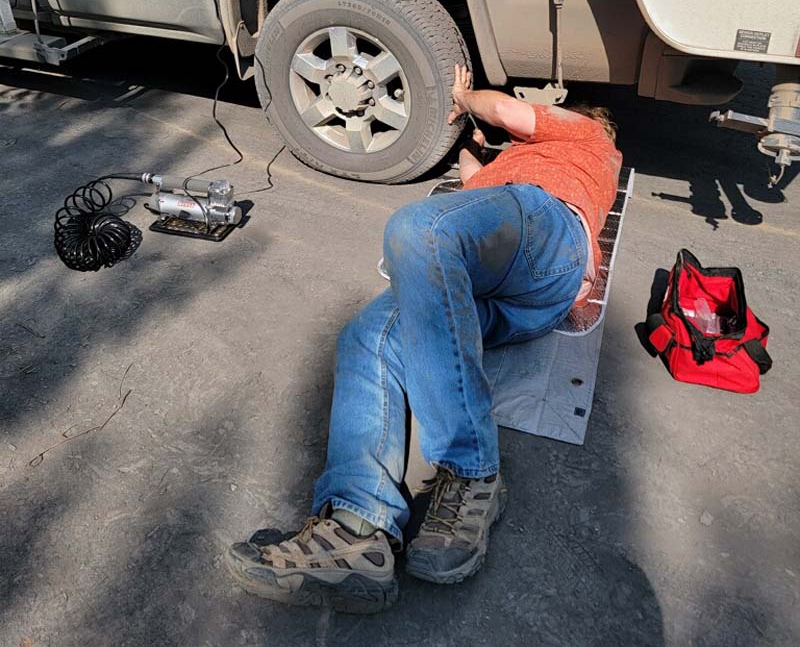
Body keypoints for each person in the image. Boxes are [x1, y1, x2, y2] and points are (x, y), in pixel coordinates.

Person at [227, 66, 622, 612]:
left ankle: (471, 472)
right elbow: (469, 180)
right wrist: (474, 143)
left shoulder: (588, 136)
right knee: (369, 336)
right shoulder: (511, 166)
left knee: (420, 228)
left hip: (547, 236)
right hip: (517, 290)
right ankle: (356, 531)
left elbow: (507, 111)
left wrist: (464, 96)